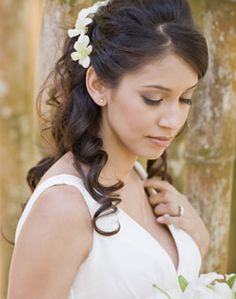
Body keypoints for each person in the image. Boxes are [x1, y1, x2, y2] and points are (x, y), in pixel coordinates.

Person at [7, 0, 210, 298]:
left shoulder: (142, 178)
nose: (173, 120)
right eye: (153, 98)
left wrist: (199, 240)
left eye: (185, 99)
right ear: (99, 85)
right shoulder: (62, 207)